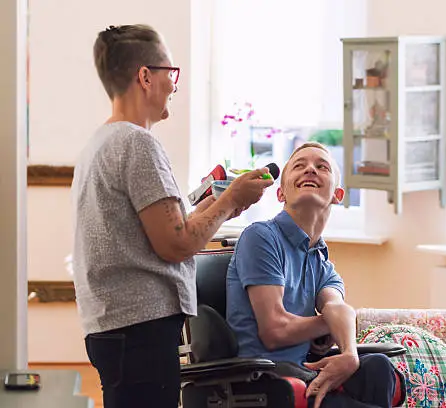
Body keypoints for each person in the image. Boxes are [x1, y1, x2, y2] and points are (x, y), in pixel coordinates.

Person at [71, 24, 273, 408]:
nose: (175, 86)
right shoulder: (137, 143)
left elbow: (156, 231)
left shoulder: (102, 141)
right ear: (145, 76)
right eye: (171, 74)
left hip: (116, 326)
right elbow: (177, 243)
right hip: (140, 331)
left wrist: (216, 204)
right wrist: (229, 200)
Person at [226, 142, 400, 408]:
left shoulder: (321, 262)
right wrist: (329, 322)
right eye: (299, 165)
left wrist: (350, 353)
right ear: (281, 193)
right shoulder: (260, 237)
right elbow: (275, 330)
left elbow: (339, 308)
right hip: (266, 380)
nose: (310, 170)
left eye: (322, 167)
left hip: (304, 372)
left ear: (337, 194)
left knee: (378, 366)